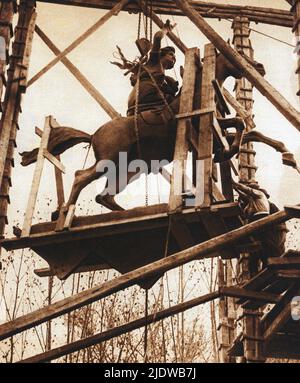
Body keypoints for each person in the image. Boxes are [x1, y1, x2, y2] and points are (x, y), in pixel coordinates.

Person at [233, 181, 288, 275]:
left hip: (273, 232)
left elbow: (278, 224)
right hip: (265, 232)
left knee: (269, 253)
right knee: (258, 254)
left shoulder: (269, 205)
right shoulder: (251, 205)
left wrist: (236, 185)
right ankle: (259, 274)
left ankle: (267, 271)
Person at [126, 20, 179, 116]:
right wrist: (166, 29)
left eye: (175, 57)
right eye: (171, 54)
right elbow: (157, 37)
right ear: (161, 55)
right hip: (146, 96)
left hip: (140, 98)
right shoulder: (154, 62)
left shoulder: (166, 79)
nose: (174, 57)